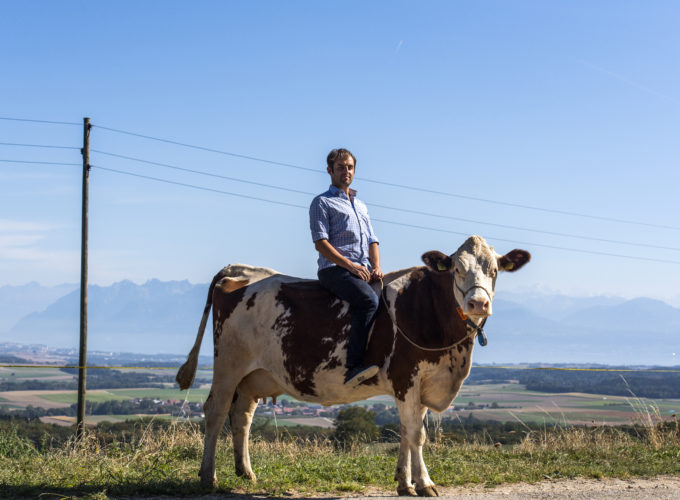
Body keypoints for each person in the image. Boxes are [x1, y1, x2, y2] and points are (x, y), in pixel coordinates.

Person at [309, 148, 384, 386]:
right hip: (334, 270)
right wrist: (351, 266)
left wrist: (377, 267)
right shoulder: (322, 203)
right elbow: (321, 244)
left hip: (361, 269)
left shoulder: (361, 205)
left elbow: (373, 240)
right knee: (369, 301)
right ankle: (353, 366)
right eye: (341, 167)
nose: (346, 171)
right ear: (330, 170)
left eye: (350, 167)